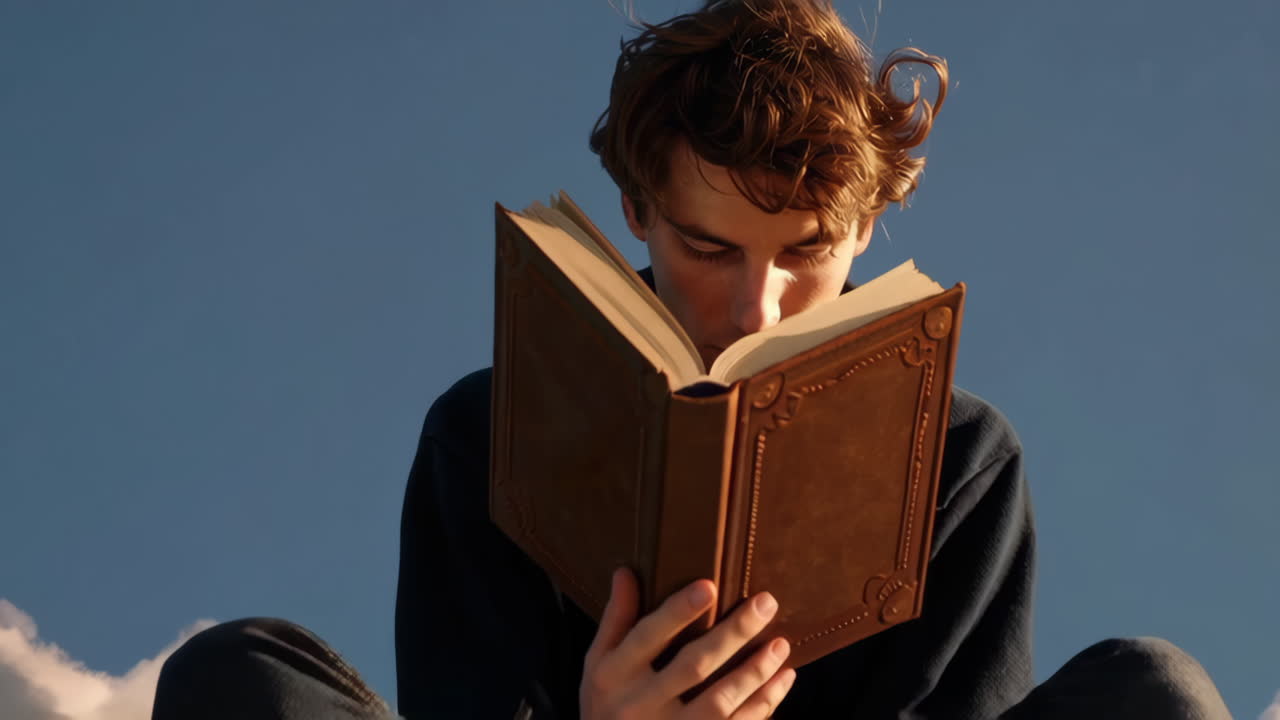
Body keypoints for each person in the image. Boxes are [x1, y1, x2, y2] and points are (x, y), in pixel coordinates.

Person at [152, 2, 1232, 719]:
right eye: (707, 249)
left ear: (867, 228)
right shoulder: (487, 431)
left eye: (805, 251)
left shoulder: (954, 455)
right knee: (237, 677)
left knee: (1154, 692)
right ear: (634, 213)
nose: (753, 302)